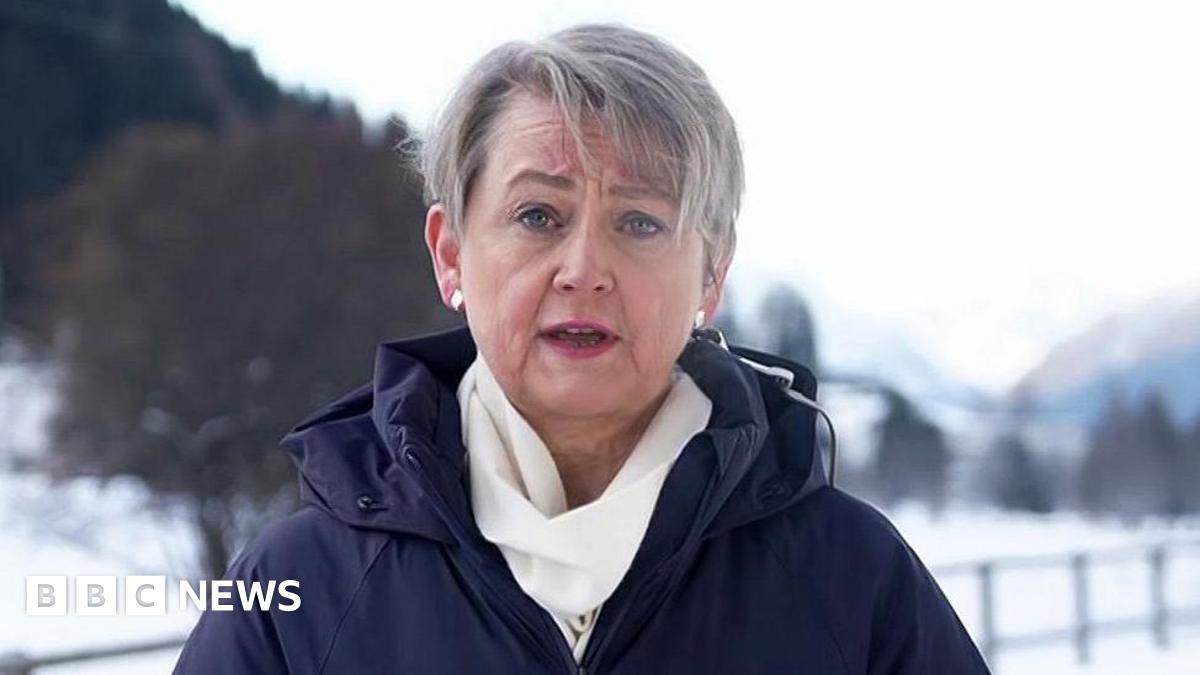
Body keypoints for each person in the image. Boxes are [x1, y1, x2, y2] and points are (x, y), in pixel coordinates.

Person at [174, 22, 991, 675]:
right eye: (538, 215)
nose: (584, 270)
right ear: (452, 252)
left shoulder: (850, 580)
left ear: (712, 270)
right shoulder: (301, 594)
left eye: (640, 221)